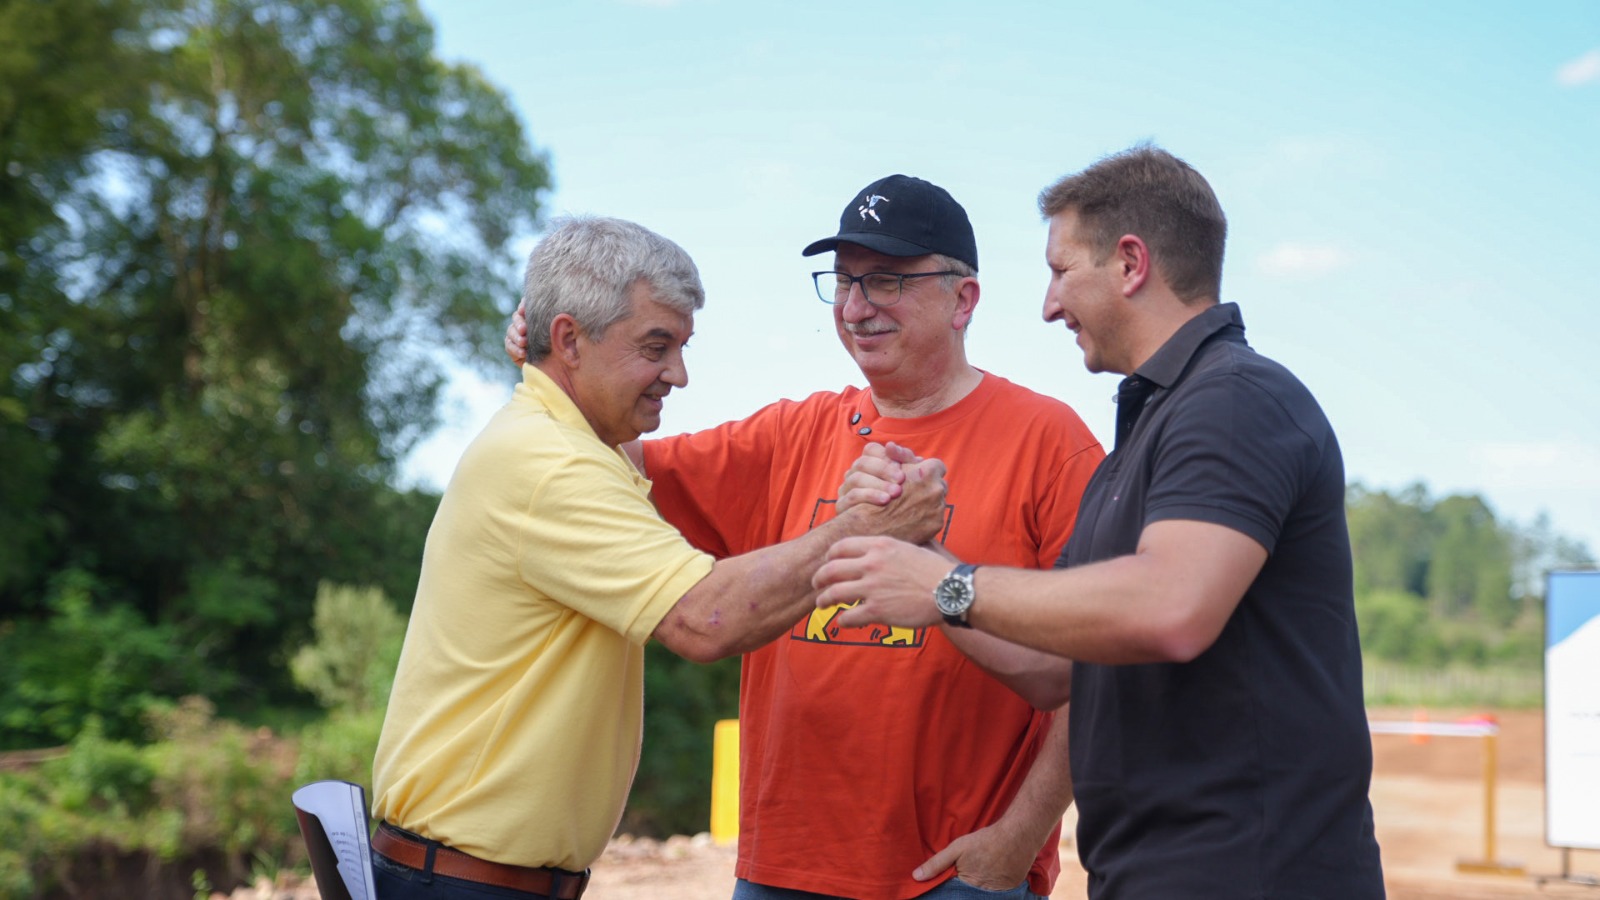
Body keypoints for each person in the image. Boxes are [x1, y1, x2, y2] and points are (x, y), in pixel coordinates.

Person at [508, 175, 1104, 899]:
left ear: (964, 298)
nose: (856, 307)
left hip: (954, 878)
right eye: (844, 282)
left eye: (885, 279)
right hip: (782, 873)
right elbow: (610, 456)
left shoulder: (1050, 443)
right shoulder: (791, 434)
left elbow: (1100, 669)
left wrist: (1014, 842)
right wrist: (554, 358)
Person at [814, 146, 1386, 898]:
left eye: (1060, 270)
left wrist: (950, 585)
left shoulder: (1237, 401)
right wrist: (921, 552)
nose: (1049, 304)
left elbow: (1172, 608)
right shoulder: (1152, 431)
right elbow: (1055, 673)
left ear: (1130, 263)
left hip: (1250, 873)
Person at [370, 216, 949, 900]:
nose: (677, 374)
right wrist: (865, 527)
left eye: (680, 346)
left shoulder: (573, 444)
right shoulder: (552, 464)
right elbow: (706, 620)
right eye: (655, 346)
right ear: (569, 340)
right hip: (464, 883)